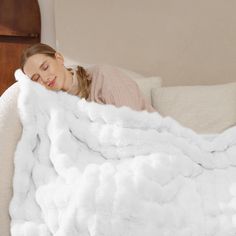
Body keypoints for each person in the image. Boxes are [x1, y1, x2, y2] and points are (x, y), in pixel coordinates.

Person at [21, 43, 156, 112]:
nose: (44, 78)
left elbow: (132, 122)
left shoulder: (103, 76)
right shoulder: (55, 103)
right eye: (36, 78)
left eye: (45, 67)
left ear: (59, 58)